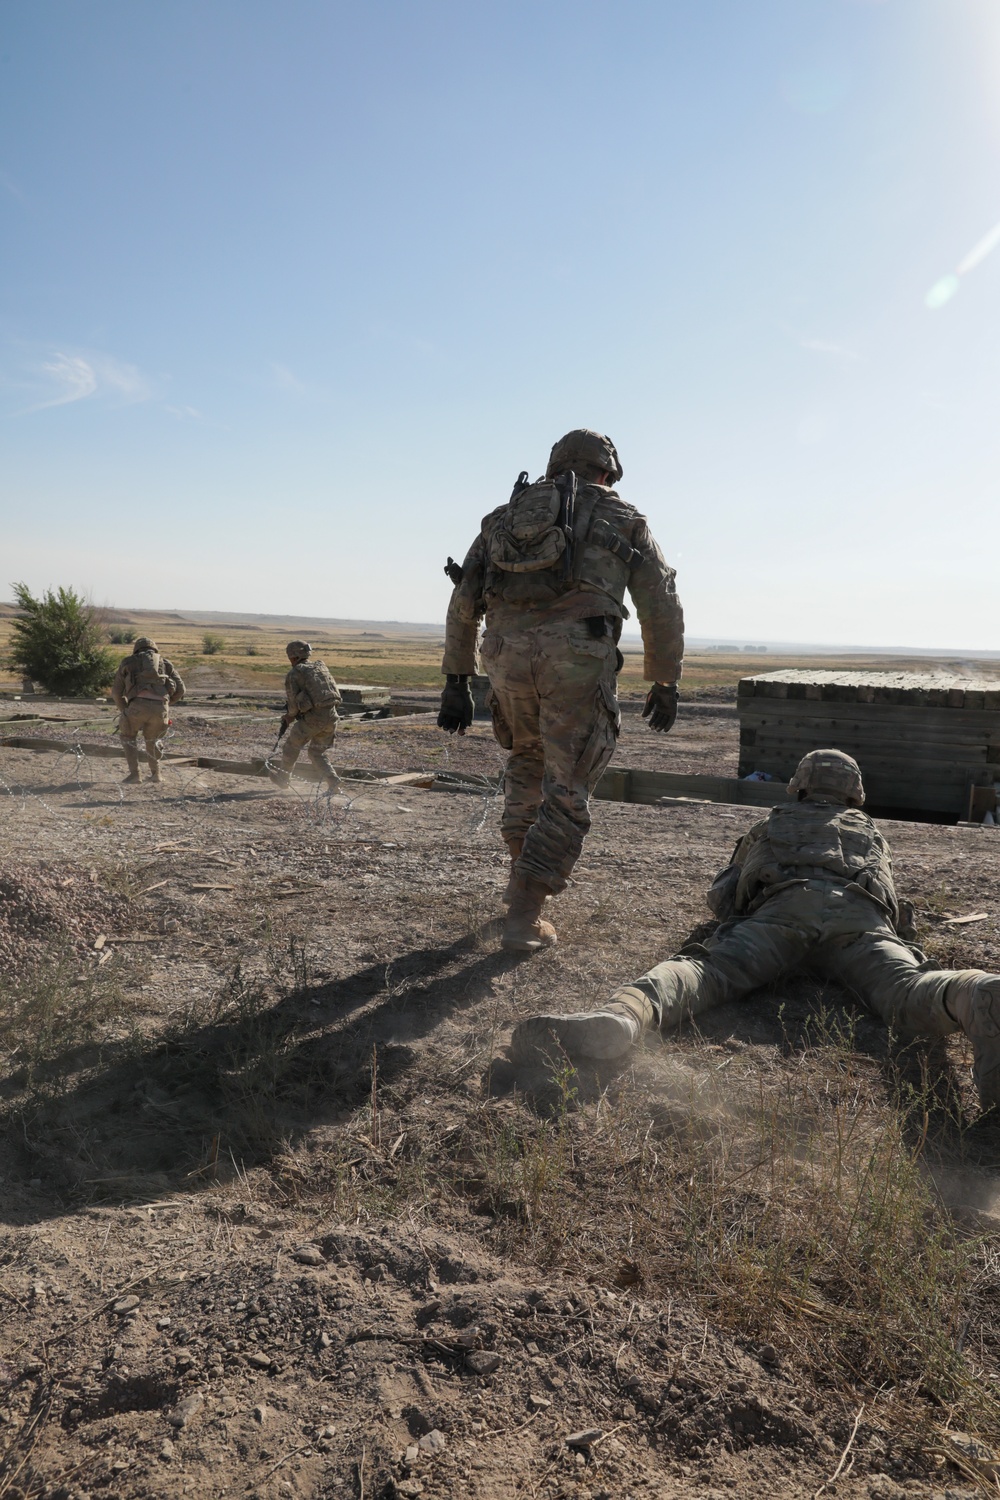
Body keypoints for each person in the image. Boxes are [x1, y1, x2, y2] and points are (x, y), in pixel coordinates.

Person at [509, 749, 1000, 1109]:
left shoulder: (772, 823)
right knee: (908, 992)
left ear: (800, 786)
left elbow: (724, 898)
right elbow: (894, 908)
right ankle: (971, 994)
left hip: (781, 915)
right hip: (860, 920)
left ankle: (625, 1017)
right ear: (854, 793)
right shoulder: (869, 832)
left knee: (705, 971)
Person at [439, 428, 684, 954]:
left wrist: (455, 680)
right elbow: (661, 602)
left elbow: (463, 602)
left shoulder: (503, 518)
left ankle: (519, 890)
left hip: (502, 658)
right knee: (568, 785)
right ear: (608, 470)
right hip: (574, 660)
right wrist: (665, 680)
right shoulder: (623, 518)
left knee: (525, 762)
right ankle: (525, 915)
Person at [110, 637, 185, 785]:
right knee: (153, 740)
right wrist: (167, 705)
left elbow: (116, 693)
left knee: (128, 737)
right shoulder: (166, 663)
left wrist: (125, 711)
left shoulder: (127, 662)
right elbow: (181, 689)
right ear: (155, 649)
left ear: (136, 649)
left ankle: (135, 775)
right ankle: (156, 774)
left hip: (136, 707)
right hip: (161, 708)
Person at [270, 640, 342, 788]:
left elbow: (292, 704)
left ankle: (283, 779)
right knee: (317, 753)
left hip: (313, 719)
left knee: (291, 746)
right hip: (332, 717)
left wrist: (289, 716)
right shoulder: (320, 667)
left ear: (293, 656)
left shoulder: (295, 673)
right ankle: (333, 781)